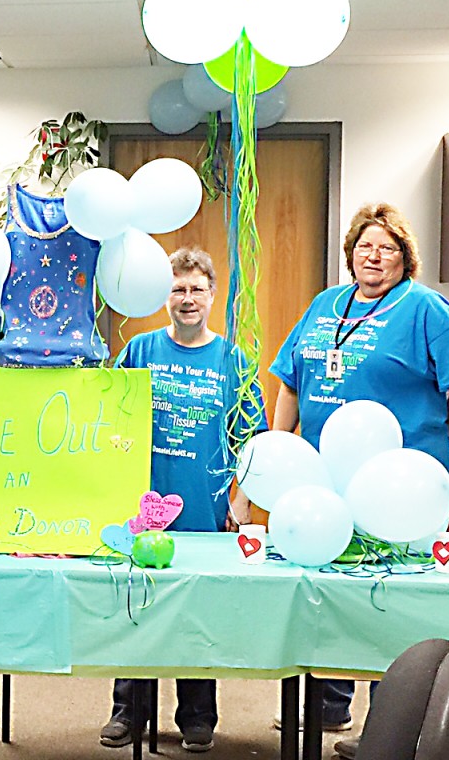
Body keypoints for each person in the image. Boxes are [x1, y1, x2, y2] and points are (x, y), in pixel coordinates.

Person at [269, 202, 449, 746]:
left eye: (387, 247)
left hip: (400, 483)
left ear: (404, 258)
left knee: (390, 599)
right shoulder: (326, 305)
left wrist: (432, 426)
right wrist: (282, 444)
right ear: (350, 254)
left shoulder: (427, 310)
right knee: (331, 589)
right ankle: (329, 706)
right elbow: (291, 379)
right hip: (328, 477)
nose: (374, 256)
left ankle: (389, 724)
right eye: (365, 246)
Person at [99, 247, 266, 754]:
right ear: (163, 296)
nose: (187, 299)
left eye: (197, 289)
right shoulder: (139, 352)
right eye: (177, 289)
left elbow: (254, 444)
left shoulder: (233, 361)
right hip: (142, 514)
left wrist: (240, 506)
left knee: (197, 616)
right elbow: (107, 423)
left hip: (204, 512)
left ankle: (197, 716)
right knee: (138, 611)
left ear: (212, 296)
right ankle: (129, 713)